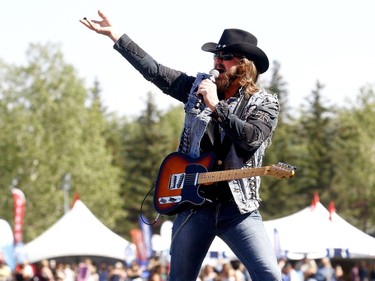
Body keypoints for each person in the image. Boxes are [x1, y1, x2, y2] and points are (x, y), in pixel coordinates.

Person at [80, 10, 281, 281]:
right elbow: (156, 72)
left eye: (225, 57)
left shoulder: (265, 103)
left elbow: (250, 139)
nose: (217, 61)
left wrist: (216, 106)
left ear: (244, 65)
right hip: (195, 205)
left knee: (269, 275)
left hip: (239, 209)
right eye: (215, 56)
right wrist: (117, 36)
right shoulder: (197, 88)